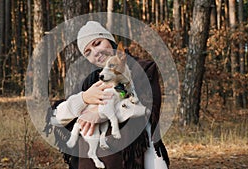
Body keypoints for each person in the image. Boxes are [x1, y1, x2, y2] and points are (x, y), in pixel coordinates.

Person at [48, 21, 169, 169]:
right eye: (88, 52)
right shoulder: (89, 82)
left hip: (138, 148)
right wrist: (84, 98)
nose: (95, 52)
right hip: (96, 152)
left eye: (97, 43)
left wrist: (100, 114)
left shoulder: (143, 69)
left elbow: (146, 108)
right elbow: (56, 116)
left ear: (109, 39)